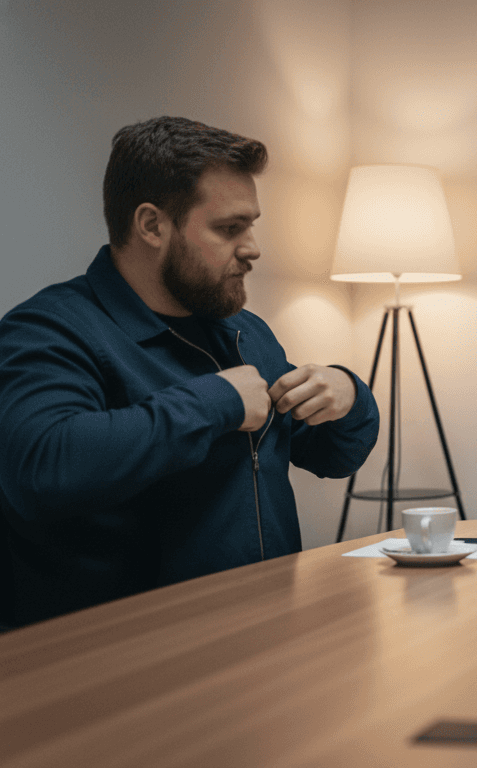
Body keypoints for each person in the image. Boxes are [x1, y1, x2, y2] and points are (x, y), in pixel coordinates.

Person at [0, 117, 380, 627]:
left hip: (262, 634)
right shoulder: (48, 329)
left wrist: (347, 394)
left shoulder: (243, 331)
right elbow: (42, 468)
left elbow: (331, 456)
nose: (252, 248)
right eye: (229, 228)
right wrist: (215, 402)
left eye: (251, 225)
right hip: (111, 664)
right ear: (152, 226)